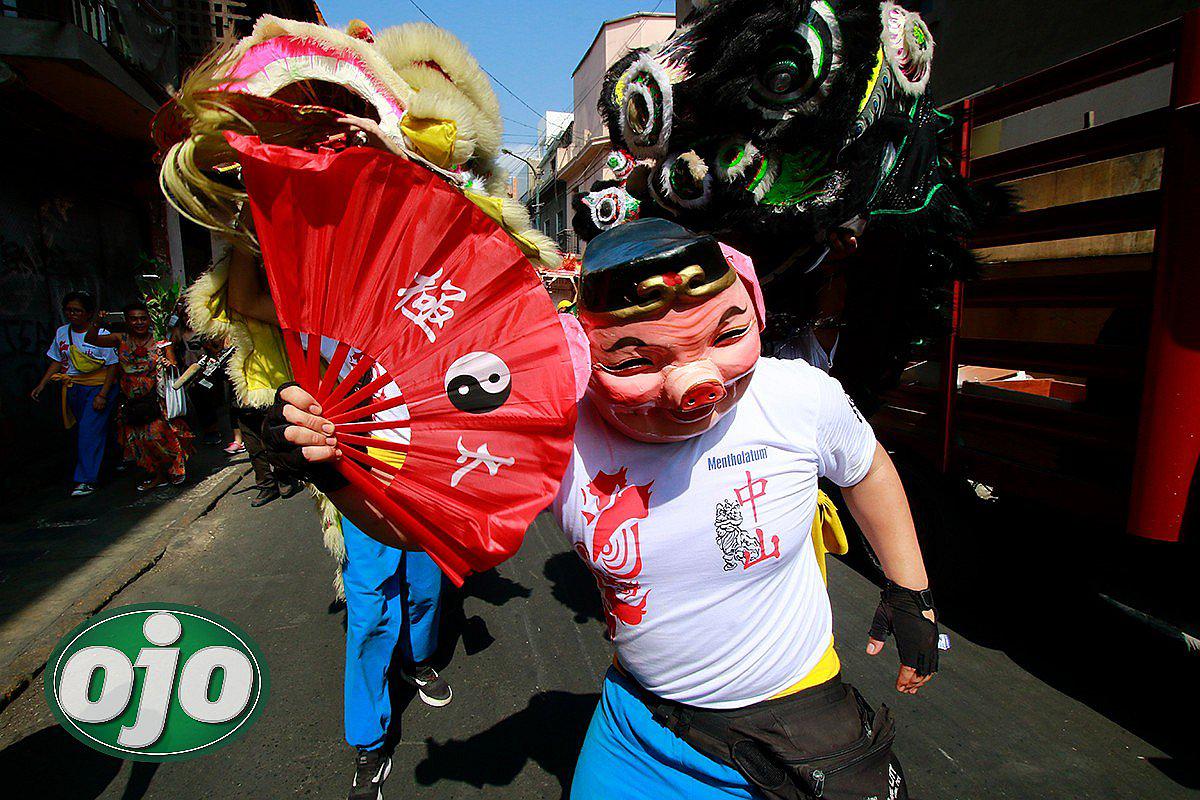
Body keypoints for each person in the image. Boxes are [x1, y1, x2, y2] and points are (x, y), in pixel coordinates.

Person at [270, 219, 941, 800]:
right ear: (580, 354)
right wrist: (332, 473)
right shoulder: (557, 438)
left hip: (797, 724)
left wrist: (910, 590)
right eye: (636, 359)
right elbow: (423, 530)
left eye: (727, 333)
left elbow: (867, 467)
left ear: (755, 313)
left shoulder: (796, 397)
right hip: (641, 731)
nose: (694, 385)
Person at [223, 243, 452, 800]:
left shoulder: (433, 294)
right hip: (356, 470)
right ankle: (370, 741)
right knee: (371, 602)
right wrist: (251, 212)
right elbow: (244, 296)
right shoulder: (324, 302)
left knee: (425, 584)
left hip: (431, 466)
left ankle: (418, 660)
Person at [88, 303, 194, 491]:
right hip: (131, 400)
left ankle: (175, 468)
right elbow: (92, 339)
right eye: (134, 319)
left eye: (143, 318)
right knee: (139, 440)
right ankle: (158, 475)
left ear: (149, 319)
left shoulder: (159, 341)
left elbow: (174, 366)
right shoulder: (120, 339)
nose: (139, 322)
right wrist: (97, 321)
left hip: (156, 399)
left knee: (159, 436)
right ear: (127, 321)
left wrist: (165, 363)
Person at [30, 291, 118, 497]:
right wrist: (42, 384)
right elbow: (57, 360)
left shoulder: (101, 335)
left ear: (88, 313)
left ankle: (86, 479)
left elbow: (113, 365)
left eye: (77, 311)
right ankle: (110, 463)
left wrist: (102, 395)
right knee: (88, 429)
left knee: (89, 429)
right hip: (74, 387)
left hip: (99, 386)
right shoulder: (62, 332)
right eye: (69, 310)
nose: (72, 314)